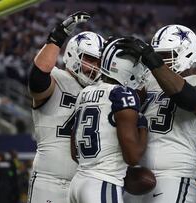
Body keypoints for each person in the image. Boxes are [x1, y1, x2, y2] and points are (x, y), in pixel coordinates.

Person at [119, 24, 196, 203]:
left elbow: (189, 99)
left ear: (187, 54)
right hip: (137, 175)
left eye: (166, 55)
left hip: (173, 177)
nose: (160, 60)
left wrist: (152, 59)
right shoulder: (147, 82)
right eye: (158, 55)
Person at [27, 11, 104, 203]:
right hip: (50, 181)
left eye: (99, 61)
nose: (95, 67)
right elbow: (37, 79)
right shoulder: (57, 78)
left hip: (87, 183)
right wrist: (57, 37)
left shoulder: (101, 90)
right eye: (90, 59)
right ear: (73, 55)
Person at [69, 38, 148, 203]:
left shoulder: (85, 92)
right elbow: (133, 157)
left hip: (77, 183)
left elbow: (74, 152)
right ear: (126, 67)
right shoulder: (123, 94)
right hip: (103, 183)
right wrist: (142, 126)